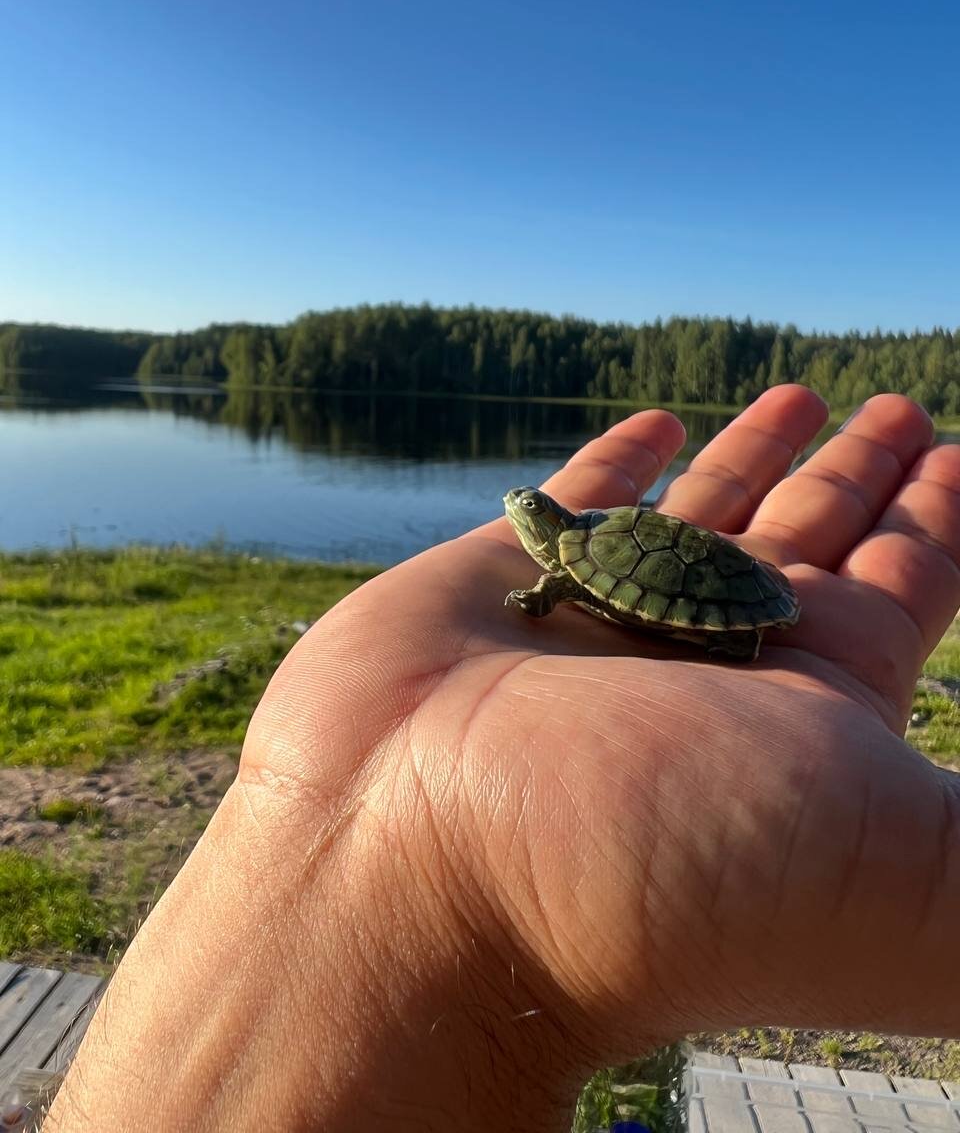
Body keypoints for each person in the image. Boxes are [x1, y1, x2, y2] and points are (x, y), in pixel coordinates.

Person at [46, 387, 960, 1132]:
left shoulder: (565, 558)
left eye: (527, 510)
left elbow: (548, 594)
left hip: (712, 586)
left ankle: (729, 635)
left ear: (540, 527)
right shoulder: (582, 541)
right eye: (527, 509)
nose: (521, 514)